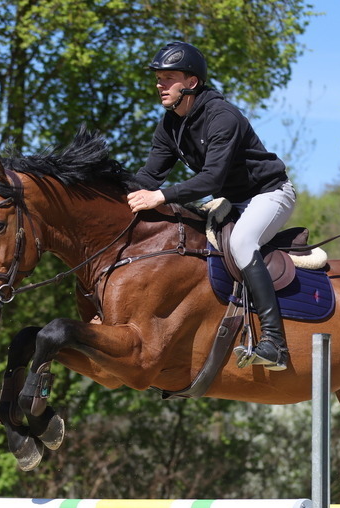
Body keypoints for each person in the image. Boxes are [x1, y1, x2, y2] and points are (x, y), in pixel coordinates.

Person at [127, 41, 296, 371]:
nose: (160, 84)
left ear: (191, 82)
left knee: (242, 242)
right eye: (158, 78)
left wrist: (160, 196)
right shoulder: (170, 124)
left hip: (269, 194)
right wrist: (110, 194)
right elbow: (149, 175)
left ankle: (275, 343)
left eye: (168, 78)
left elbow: (211, 181)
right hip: (232, 201)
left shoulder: (223, 116)